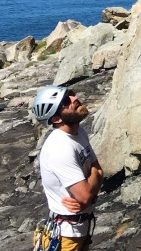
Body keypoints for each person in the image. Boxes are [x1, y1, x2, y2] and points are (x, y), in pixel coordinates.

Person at [31, 85, 103, 250]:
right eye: (66, 101)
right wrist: (89, 192)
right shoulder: (60, 148)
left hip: (80, 227)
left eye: (71, 95)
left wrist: (89, 194)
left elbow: (99, 170)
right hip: (66, 235)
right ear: (56, 119)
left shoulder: (79, 132)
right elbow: (86, 193)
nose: (74, 99)